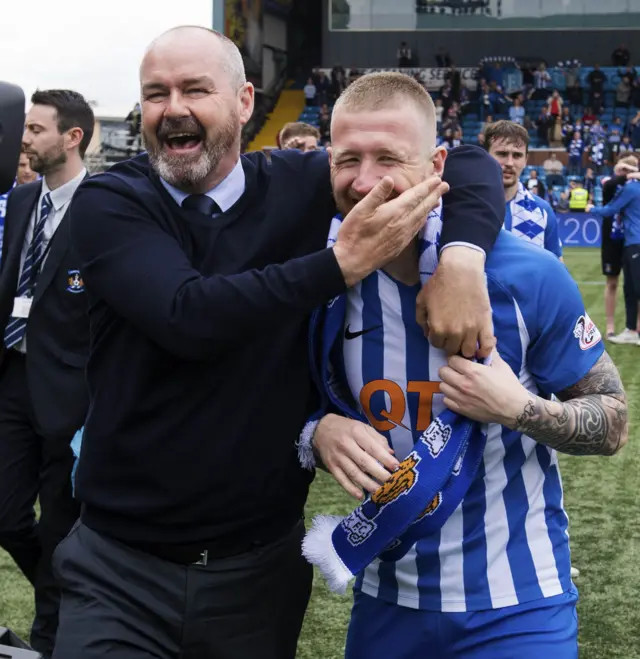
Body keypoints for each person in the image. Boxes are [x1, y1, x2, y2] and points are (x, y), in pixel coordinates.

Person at [51, 28, 504, 659]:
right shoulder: (113, 199)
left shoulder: (296, 183)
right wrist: (339, 263)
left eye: (194, 89)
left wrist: (460, 257)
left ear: (243, 102)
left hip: (257, 569)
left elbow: (468, 164)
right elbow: (188, 317)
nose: (172, 108)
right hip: (120, 565)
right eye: (155, 93)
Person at [305, 71, 628, 659]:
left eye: (388, 158)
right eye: (348, 159)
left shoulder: (528, 276)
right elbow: (263, 402)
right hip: (386, 601)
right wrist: (315, 430)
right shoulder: (319, 284)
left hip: (519, 603)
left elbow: (612, 421)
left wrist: (521, 408)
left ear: (437, 165)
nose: (365, 181)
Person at [0, 89, 94, 658]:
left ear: (72, 136)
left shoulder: (105, 203)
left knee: (61, 519)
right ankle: (69, 592)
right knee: (7, 516)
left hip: (70, 386)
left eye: (36, 129)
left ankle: (53, 636)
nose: (25, 139)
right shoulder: (21, 198)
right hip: (13, 375)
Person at [484, 120, 562, 258]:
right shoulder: (466, 206)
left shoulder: (542, 211)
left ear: (526, 160)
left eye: (517, 155)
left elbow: (555, 269)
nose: (509, 163)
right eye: (502, 154)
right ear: (485, 156)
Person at [587, 168, 640, 347]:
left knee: (635, 288)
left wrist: (591, 209)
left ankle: (632, 330)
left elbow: (611, 209)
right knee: (630, 289)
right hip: (630, 242)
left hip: (635, 241)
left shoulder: (632, 188)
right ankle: (631, 330)